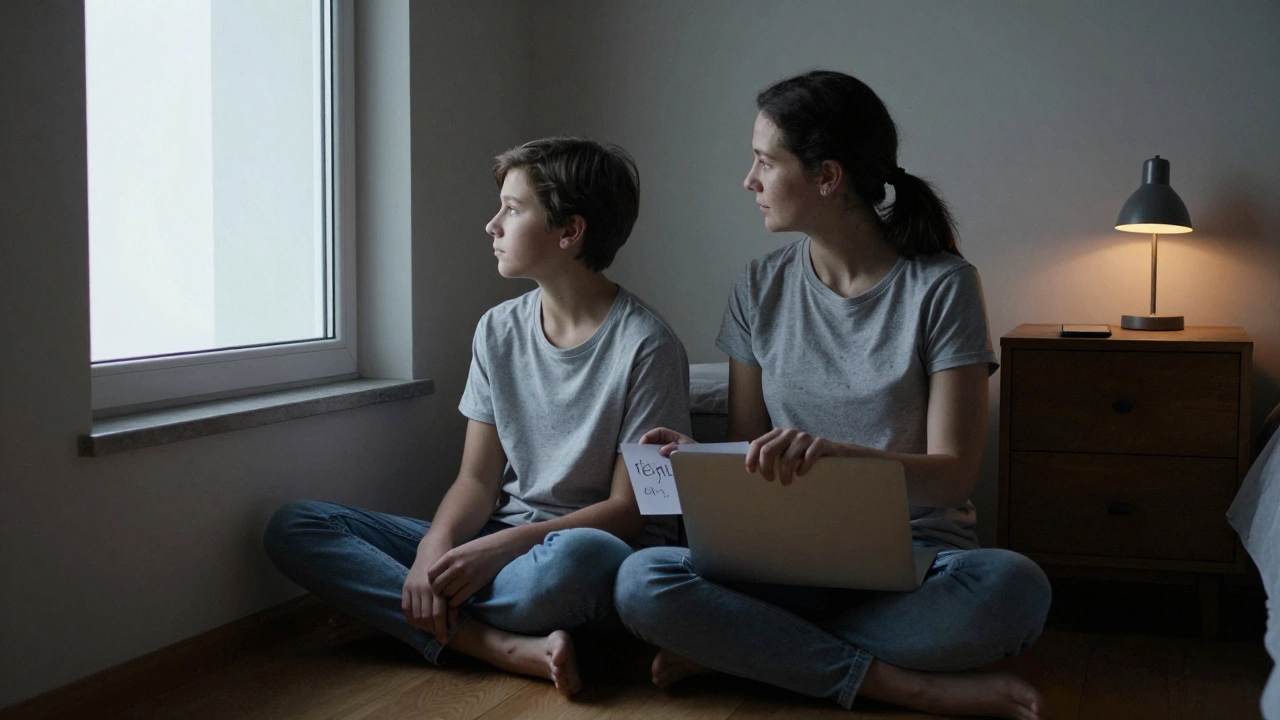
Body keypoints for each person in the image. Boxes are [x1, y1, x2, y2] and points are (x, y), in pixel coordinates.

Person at [613, 71, 1052, 720]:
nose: (749, 181)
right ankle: (900, 684)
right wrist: (696, 458)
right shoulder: (758, 286)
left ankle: (751, 652)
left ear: (828, 177)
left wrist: (839, 457)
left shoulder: (943, 286)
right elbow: (746, 451)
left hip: (915, 562)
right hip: (781, 566)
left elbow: (954, 476)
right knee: (640, 582)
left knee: (1016, 588)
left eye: (765, 161)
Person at [264, 137, 691, 696]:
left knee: (581, 560)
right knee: (296, 525)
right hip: (501, 545)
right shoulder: (497, 329)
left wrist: (499, 550)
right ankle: (497, 645)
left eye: (512, 210)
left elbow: (629, 515)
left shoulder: (647, 346)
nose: (492, 225)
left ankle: (405, 617)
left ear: (570, 232)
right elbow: (476, 479)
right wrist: (431, 551)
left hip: (586, 554)